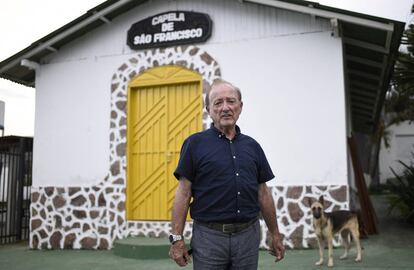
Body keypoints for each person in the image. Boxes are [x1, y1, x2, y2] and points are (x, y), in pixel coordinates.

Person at [168, 79, 285, 269]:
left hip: (248, 237)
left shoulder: (253, 147)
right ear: (208, 109)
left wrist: (275, 234)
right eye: (218, 102)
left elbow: (263, 193)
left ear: (240, 106)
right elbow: (183, 192)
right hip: (209, 239)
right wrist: (176, 239)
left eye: (231, 101)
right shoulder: (194, 144)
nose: (225, 108)